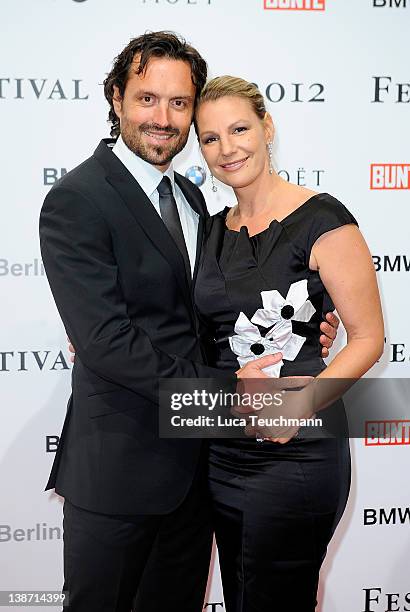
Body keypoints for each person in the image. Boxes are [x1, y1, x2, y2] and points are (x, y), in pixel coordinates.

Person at [41, 32, 339, 612]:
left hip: (199, 469)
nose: (163, 118)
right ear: (115, 98)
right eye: (147, 98)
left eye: (179, 103)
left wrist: (307, 327)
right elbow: (106, 342)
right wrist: (230, 392)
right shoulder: (78, 198)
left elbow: (216, 313)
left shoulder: (193, 198)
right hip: (119, 471)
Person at [192, 76, 385, 611]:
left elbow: (368, 337)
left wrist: (296, 408)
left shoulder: (322, 219)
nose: (227, 149)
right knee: (242, 593)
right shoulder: (209, 231)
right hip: (220, 445)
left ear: (267, 127)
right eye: (210, 138)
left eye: (239, 129)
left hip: (296, 451)